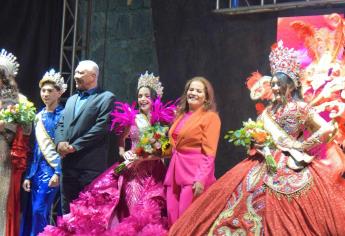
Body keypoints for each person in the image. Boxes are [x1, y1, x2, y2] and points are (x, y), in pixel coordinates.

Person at [168, 42, 345, 236]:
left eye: (279, 84)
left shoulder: (302, 108)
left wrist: (302, 145)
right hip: (263, 161)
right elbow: (259, 138)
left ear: (291, 85)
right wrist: (256, 142)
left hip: (294, 164)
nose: (275, 88)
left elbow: (327, 129)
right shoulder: (268, 112)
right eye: (273, 84)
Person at [42, 71, 172, 235]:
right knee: (118, 203)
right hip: (129, 170)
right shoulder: (132, 118)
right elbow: (121, 142)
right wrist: (123, 153)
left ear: (154, 98)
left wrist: (140, 157)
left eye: (147, 95)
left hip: (152, 172)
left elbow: (165, 151)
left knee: (148, 212)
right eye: (140, 95)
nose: (143, 99)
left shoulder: (160, 122)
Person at [55, 60, 115, 213]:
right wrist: (60, 142)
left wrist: (75, 146)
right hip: (68, 166)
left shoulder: (106, 97)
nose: (75, 76)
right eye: (75, 72)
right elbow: (61, 124)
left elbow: (101, 128)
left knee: (88, 213)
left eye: (80, 73)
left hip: (89, 167)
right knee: (67, 212)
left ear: (93, 76)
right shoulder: (71, 99)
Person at [164, 76, 221, 226]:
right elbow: (172, 145)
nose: (193, 93)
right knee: (171, 215)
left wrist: (201, 178)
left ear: (206, 97)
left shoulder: (211, 118)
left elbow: (210, 153)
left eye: (199, 91)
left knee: (186, 218)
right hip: (175, 170)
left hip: (193, 173)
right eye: (191, 89)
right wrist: (152, 148)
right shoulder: (180, 115)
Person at [20, 69, 66, 236]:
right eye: (43, 90)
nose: (45, 94)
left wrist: (58, 171)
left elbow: (63, 147)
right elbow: (37, 149)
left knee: (39, 210)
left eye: (50, 91)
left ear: (59, 93)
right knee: (34, 211)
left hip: (52, 170)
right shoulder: (38, 116)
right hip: (37, 170)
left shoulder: (64, 115)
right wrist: (28, 175)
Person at [0, 49, 32, 236]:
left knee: (3, 199)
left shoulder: (19, 101)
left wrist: (6, 127)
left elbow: (26, 129)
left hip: (4, 155)